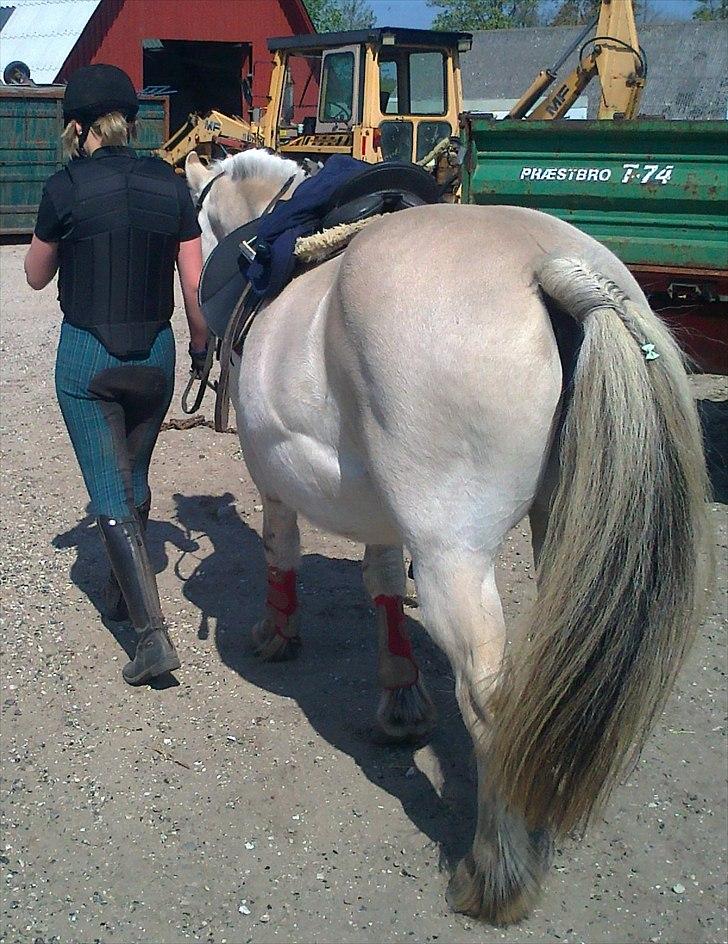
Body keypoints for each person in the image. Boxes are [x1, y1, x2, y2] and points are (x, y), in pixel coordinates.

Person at [25, 64, 209, 686]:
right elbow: (193, 286)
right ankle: (122, 590)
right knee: (134, 474)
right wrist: (204, 347)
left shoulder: (64, 185)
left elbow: (34, 274)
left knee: (109, 492)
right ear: (128, 122)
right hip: (156, 357)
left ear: (77, 127)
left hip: (87, 361)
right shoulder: (172, 183)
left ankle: (152, 638)